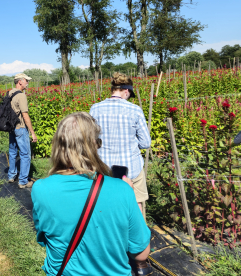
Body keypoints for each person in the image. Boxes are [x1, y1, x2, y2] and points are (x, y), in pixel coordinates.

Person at [31, 112, 152, 276]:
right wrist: (129, 195)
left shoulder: (40, 188)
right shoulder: (121, 190)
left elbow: (44, 237)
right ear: (93, 145)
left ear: (59, 145)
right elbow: (141, 253)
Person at [89, 72, 151, 212]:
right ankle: (137, 233)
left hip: (104, 167)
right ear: (126, 91)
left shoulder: (95, 108)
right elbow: (146, 143)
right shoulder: (135, 110)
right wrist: (131, 144)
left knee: (105, 204)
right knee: (136, 204)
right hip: (131, 167)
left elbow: (91, 139)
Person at [7, 73, 37, 189]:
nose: (27, 83)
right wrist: (32, 132)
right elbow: (25, 115)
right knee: (25, 154)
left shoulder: (9, 93)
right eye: (26, 81)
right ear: (20, 82)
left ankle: (11, 175)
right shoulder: (21, 96)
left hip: (11, 128)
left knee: (13, 152)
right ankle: (23, 181)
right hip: (20, 127)